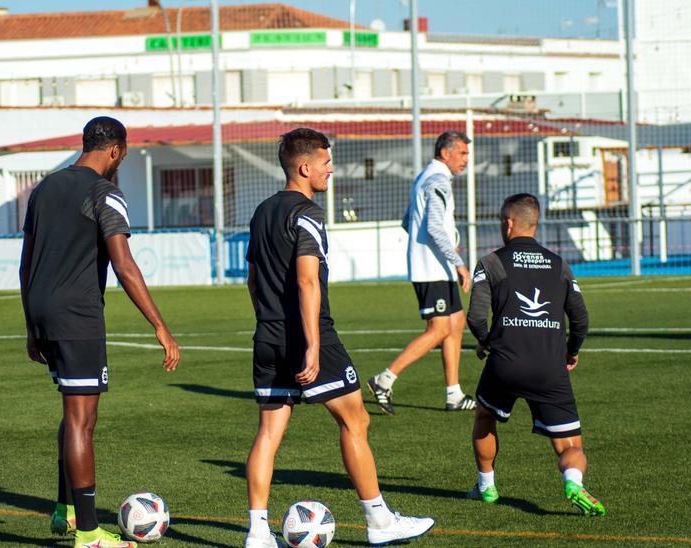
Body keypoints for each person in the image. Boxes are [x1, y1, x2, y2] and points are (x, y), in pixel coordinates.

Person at [242, 128, 434, 548]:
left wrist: (268, 322)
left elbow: (253, 279)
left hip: (268, 335)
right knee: (356, 419)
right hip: (312, 338)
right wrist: (311, 344)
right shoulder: (308, 213)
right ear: (305, 167)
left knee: (269, 432)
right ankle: (379, 521)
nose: (332, 169)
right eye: (327, 162)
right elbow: (308, 281)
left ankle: (257, 531)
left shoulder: (261, 212)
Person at [20, 116, 180, 548]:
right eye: (122, 156)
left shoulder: (45, 187)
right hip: (78, 315)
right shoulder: (105, 193)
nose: (120, 163)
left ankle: (65, 509)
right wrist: (161, 327)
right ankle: (89, 534)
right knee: (81, 419)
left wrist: (31, 325)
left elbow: (26, 260)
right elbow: (124, 265)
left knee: (72, 409)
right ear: (114, 151)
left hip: (43, 310)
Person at [465, 193, 604, 516]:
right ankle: (573, 482)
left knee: (485, 417)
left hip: (505, 363)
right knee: (570, 446)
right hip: (549, 367)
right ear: (535, 224)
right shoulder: (559, 265)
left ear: (509, 223)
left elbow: (475, 316)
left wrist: (486, 342)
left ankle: (486, 487)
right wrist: (571, 352)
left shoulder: (491, 263)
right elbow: (581, 319)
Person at [368, 131, 475, 415]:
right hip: (432, 270)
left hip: (434, 266)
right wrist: (458, 263)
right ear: (445, 153)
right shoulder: (438, 180)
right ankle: (384, 379)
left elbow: (408, 221)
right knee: (439, 329)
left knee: (455, 322)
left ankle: (453, 394)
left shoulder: (425, 176)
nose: (466, 159)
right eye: (462, 153)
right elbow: (434, 228)